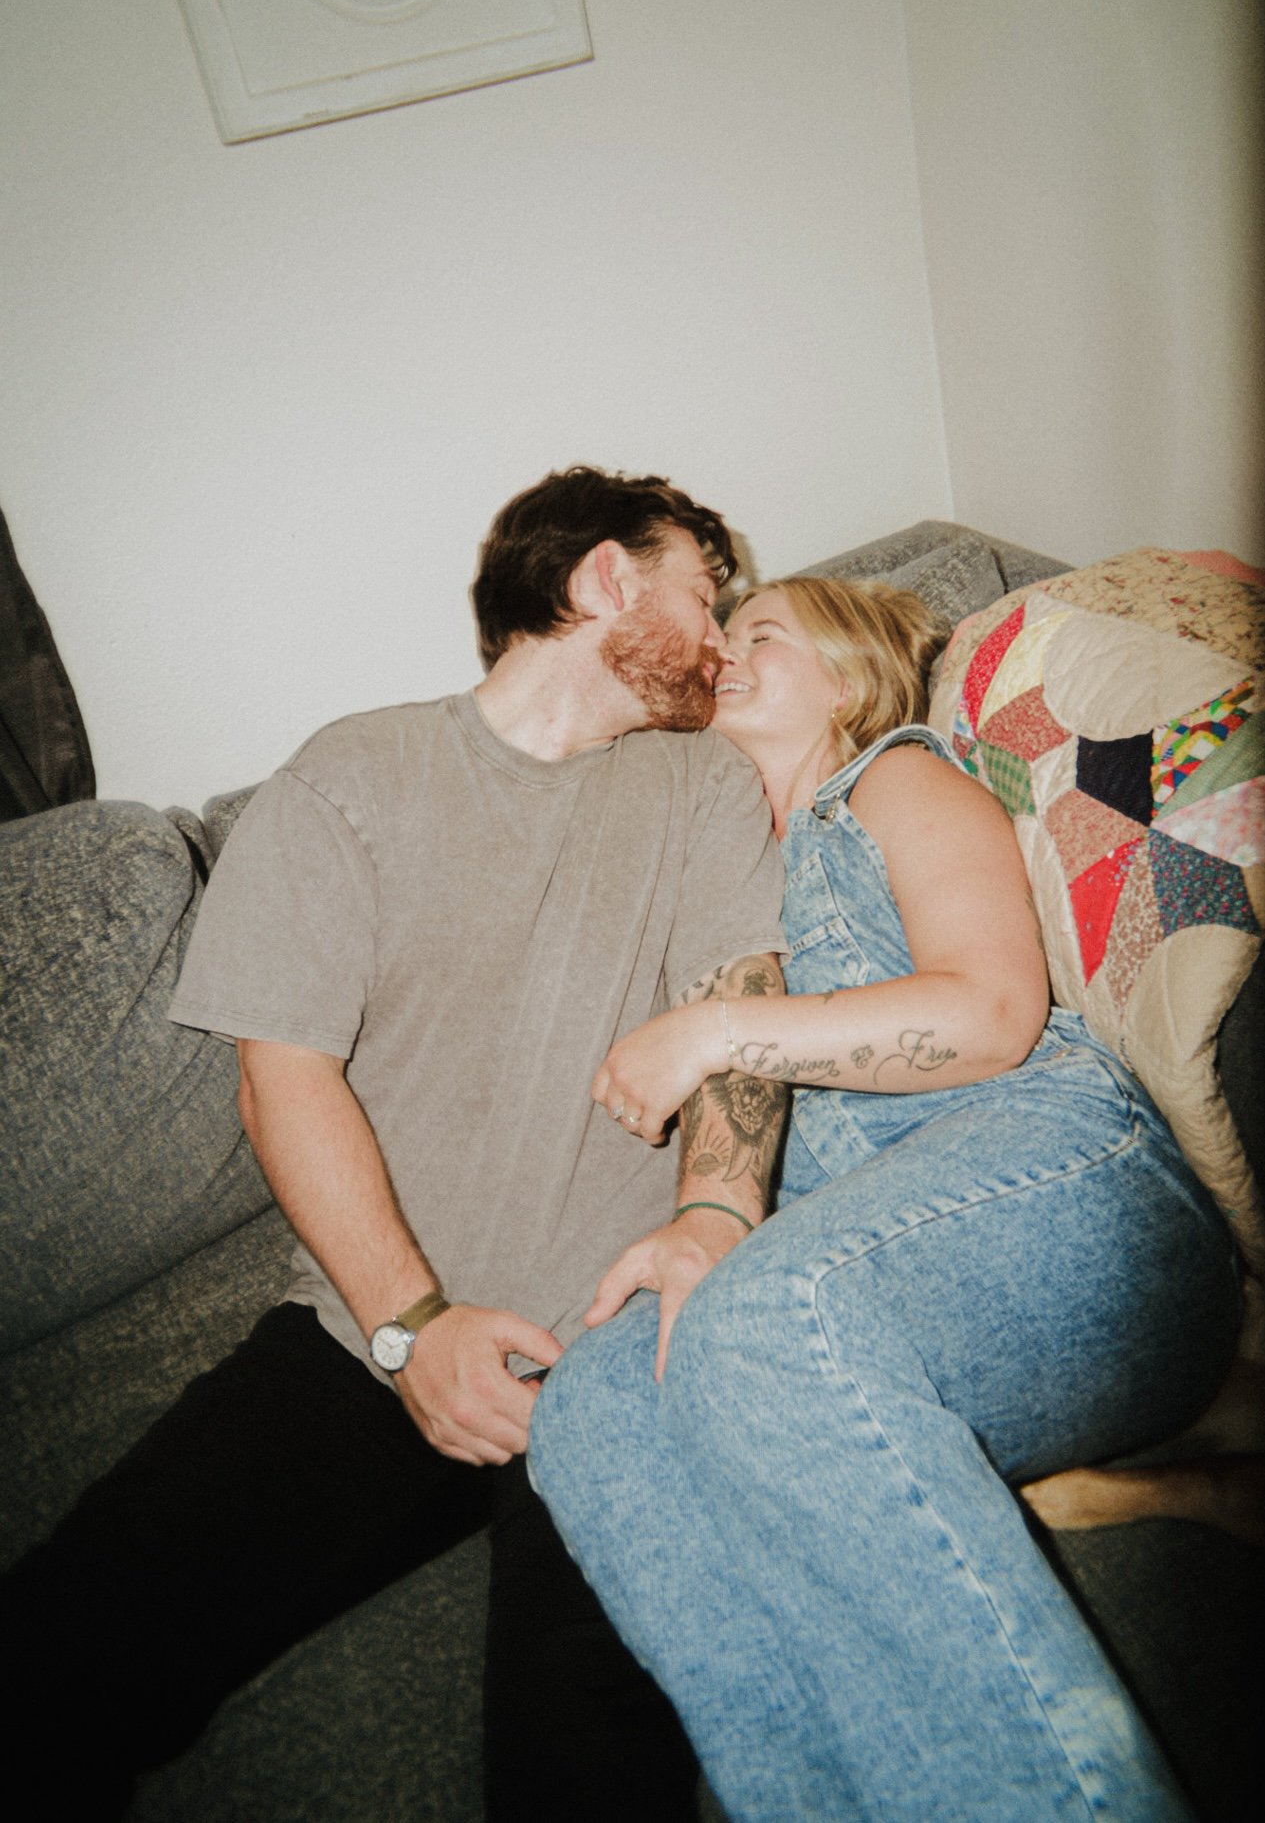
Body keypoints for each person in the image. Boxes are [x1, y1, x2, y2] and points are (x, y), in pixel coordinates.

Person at [0, 468, 791, 1820]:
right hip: (370, 1336)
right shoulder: (352, 776)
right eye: (702, 593)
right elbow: (280, 1078)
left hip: (615, 1345)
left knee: (584, 1750)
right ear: (604, 577)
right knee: (50, 1662)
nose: (722, 636)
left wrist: (712, 1222)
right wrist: (411, 1327)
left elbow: (742, 1007)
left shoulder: (700, 787)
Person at [529, 574, 1243, 1823]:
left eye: (761, 635)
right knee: (591, 1402)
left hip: (1079, 1197)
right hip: (879, 1292)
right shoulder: (728, 882)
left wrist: (711, 1030)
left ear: (850, 682)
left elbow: (988, 1012)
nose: (725, 651)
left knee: (758, 1316)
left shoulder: (893, 780)